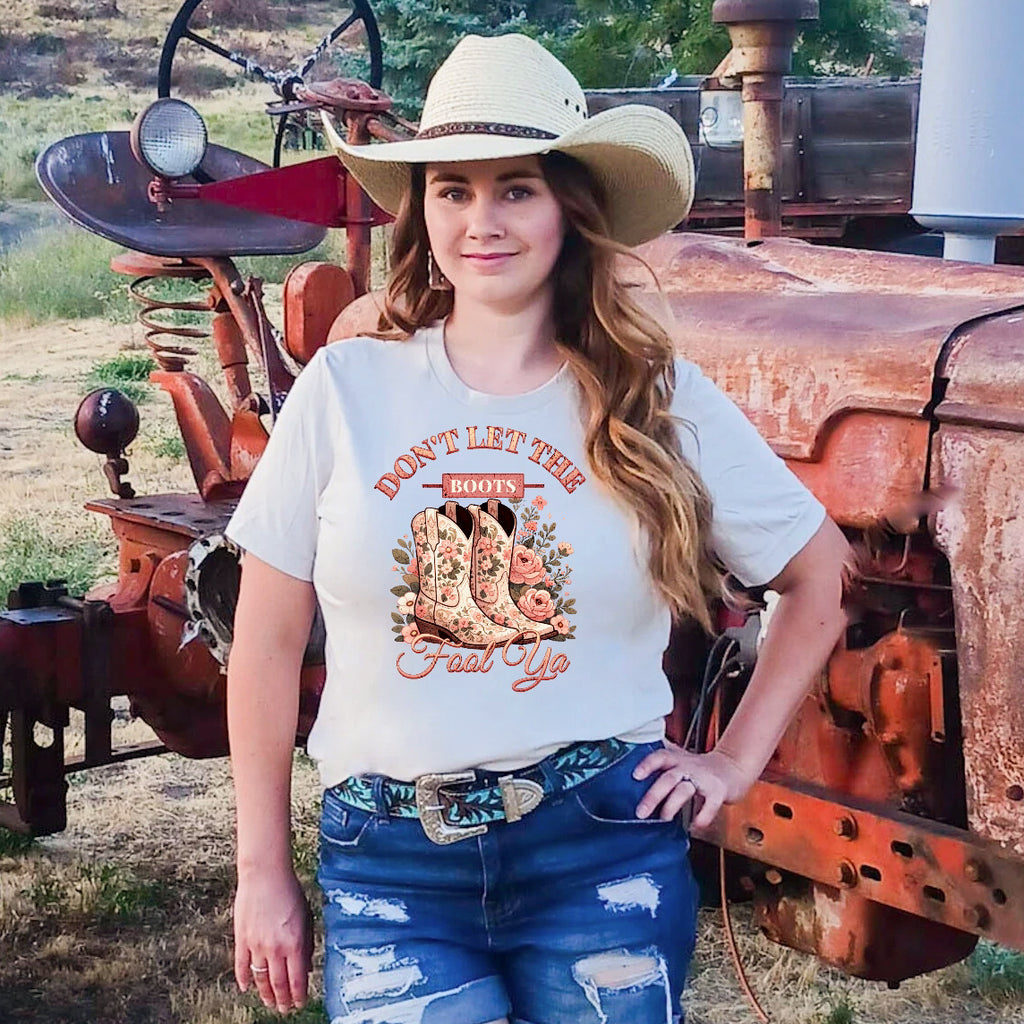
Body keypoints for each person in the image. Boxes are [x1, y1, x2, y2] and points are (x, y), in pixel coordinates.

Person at [223, 32, 851, 1024]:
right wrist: (262, 869)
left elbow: (821, 574)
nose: (482, 221)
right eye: (453, 190)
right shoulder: (344, 390)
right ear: (422, 210)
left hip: (598, 846)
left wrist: (733, 762)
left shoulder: (654, 398)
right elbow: (263, 643)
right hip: (391, 863)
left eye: (515, 188)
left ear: (569, 207)